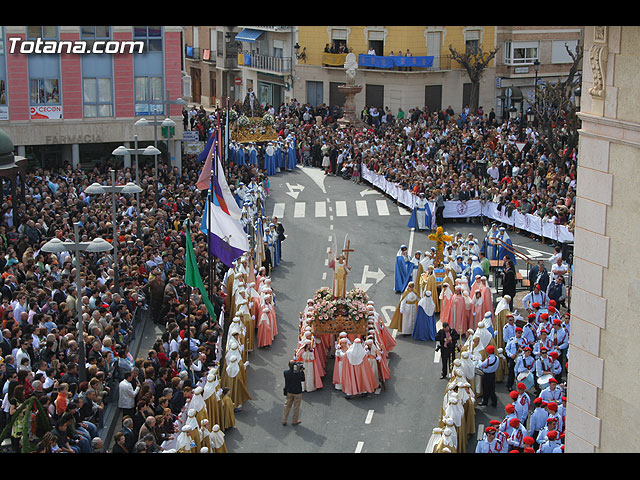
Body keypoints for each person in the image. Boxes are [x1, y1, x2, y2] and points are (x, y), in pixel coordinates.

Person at [282, 359, 305, 425]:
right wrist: (301, 371)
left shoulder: (286, 373)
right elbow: (303, 379)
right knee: (296, 407)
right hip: (297, 392)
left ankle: (284, 420)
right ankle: (295, 420)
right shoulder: (298, 373)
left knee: (287, 406)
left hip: (289, 391)